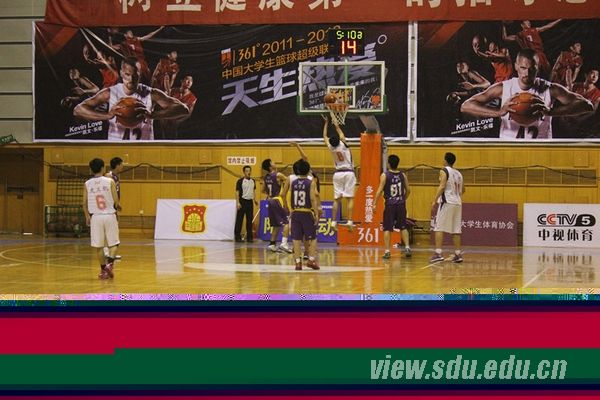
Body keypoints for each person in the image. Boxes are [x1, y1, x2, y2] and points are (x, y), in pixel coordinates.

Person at [461, 49, 594, 139]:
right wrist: (499, 112)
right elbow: (466, 106)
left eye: (532, 69)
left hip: (540, 150)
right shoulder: (503, 88)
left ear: (538, 67)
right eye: (523, 68)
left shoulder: (549, 89)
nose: (527, 73)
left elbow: (587, 105)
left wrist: (551, 112)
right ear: (516, 66)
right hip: (510, 150)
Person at [73, 58, 189, 141]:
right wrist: (107, 116)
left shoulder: (151, 93)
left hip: (144, 150)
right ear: (121, 73)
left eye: (135, 75)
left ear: (140, 74)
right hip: (116, 150)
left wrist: (154, 115)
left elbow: (183, 109)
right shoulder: (110, 92)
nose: (131, 79)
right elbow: (78, 110)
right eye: (127, 74)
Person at [280, 159, 321, 271]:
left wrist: (289, 208)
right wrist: (316, 213)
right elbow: (312, 198)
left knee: (296, 239)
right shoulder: (311, 182)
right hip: (306, 212)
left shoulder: (293, 182)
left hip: (295, 212)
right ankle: (311, 260)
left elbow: (288, 196)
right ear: (308, 171)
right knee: (313, 238)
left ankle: (298, 263)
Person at [83, 158, 120, 279]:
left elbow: (84, 203)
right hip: (109, 215)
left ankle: (104, 270)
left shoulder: (87, 184)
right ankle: (110, 264)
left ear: (91, 169)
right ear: (103, 168)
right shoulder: (110, 181)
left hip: (95, 217)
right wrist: (118, 206)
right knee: (114, 243)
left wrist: (87, 216)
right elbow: (116, 201)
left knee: (99, 246)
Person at [373, 155, 412, 260]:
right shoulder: (403, 175)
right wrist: (403, 199)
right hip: (401, 204)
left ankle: (387, 251)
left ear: (389, 163)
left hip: (390, 205)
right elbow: (408, 190)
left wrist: (374, 203)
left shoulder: (385, 175)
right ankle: (407, 247)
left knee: (387, 228)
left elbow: (379, 190)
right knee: (403, 226)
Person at [322, 115, 355, 231]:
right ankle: (349, 221)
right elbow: (339, 130)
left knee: (336, 200)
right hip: (349, 172)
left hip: (337, 174)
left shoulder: (331, 147)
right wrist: (336, 124)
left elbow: (324, 136)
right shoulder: (343, 144)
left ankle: (333, 222)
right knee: (350, 198)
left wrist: (326, 123)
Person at [430, 153, 464, 264]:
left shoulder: (444, 170)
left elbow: (442, 186)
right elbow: (463, 190)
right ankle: (458, 254)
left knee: (439, 227)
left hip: (447, 201)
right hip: (457, 203)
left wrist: (434, 200)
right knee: (456, 230)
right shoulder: (459, 173)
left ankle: (438, 253)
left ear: (445, 160)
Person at [261, 158, 292, 253]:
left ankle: (272, 244)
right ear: (270, 166)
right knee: (286, 222)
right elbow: (289, 182)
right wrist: (282, 184)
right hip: (278, 200)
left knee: (276, 224)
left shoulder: (266, 177)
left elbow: (263, 190)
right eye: (272, 162)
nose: (275, 163)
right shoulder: (278, 175)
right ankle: (284, 243)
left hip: (270, 200)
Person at [158, 75, 197, 140]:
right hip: (166, 119)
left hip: (180, 122)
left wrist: (178, 121)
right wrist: (162, 118)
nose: (189, 82)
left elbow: (189, 114)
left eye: (191, 81)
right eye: (187, 79)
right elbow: (162, 103)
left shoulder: (193, 98)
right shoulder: (172, 91)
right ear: (182, 81)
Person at [103, 157, 124, 260]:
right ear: (117, 165)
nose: (123, 166)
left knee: (114, 230)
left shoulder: (115, 177)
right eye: (121, 164)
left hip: (113, 207)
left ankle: (111, 252)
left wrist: (117, 203)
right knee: (108, 230)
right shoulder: (109, 176)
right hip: (108, 208)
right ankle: (106, 252)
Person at [234, 165, 257, 242]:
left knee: (249, 220)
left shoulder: (253, 181)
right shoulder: (240, 181)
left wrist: (255, 199)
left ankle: (249, 238)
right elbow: (237, 192)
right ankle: (237, 237)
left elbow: (253, 190)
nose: (248, 172)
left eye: (249, 171)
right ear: (244, 172)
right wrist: (238, 202)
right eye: (247, 171)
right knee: (239, 220)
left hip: (250, 202)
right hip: (242, 201)